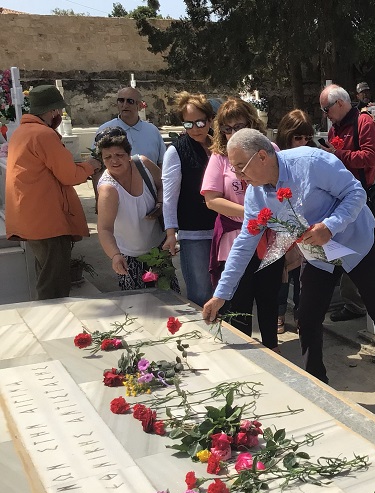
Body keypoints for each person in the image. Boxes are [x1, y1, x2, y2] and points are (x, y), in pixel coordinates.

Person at [201, 129, 375, 407]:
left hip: (355, 241)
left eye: (241, 167)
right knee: (308, 315)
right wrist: (221, 294)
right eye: (235, 169)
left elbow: (355, 193)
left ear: (263, 156)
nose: (240, 177)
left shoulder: (311, 162)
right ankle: (316, 381)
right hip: (317, 254)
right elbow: (245, 243)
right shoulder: (256, 194)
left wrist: (330, 226)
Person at [200, 98, 284, 349]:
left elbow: (283, 189)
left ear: (252, 124)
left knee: (269, 300)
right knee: (239, 304)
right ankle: (246, 355)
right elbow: (211, 200)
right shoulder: (220, 157)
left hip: (268, 239)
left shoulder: (270, 150)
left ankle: (273, 350)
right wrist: (252, 213)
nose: (232, 133)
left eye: (239, 126)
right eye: (227, 129)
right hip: (235, 238)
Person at [4, 85, 102, 299]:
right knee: (54, 286)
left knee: (46, 277)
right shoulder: (43, 135)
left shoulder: (21, 132)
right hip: (47, 221)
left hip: (32, 219)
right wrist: (91, 165)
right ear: (53, 111)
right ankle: (54, 319)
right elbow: (70, 175)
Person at [318, 83, 375, 322]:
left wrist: (337, 155)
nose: (325, 114)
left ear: (340, 103)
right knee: (339, 249)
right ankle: (348, 300)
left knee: (357, 250)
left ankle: (358, 304)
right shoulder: (336, 127)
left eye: (326, 109)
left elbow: (370, 157)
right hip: (338, 198)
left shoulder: (364, 123)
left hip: (359, 197)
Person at [95, 127, 179, 292]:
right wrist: (115, 255)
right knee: (138, 302)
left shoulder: (143, 164)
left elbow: (164, 186)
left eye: (119, 155)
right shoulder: (108, 190)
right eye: (108, 157)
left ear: (129, 154)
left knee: (171, 296)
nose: (114, 161)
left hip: (158, 249)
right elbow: (104, 229)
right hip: (129, 256)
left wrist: (159, 203)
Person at [161, 92, 217, 306]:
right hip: (194, 233)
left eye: (200, 122)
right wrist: (170, 233)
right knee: (201, 292)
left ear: (210, 120)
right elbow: (169, 196)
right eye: (188, 124)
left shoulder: (220, 146)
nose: (195, 129)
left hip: (223, 230)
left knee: (224, 290)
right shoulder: (176, 151)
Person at [273, 109, 315, 334]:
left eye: (307, 137)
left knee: (303, 276)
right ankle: (279, 314)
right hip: (282, 224)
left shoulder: (313, 157)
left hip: (307, 222)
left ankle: (302, 315)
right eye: (298, 137)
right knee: (282, 272)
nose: (303, 142)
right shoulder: (276, 158)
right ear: (286, 135)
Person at [95, 87, 166, 166]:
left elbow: (162, 162)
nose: (125, 105)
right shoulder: (105, 130)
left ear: (140, 106)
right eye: (121, 101)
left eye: (130, 101)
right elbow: (96, 162)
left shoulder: (152, 130)